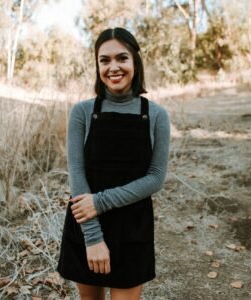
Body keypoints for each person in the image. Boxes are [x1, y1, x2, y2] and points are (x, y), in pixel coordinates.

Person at [57, 27, 170, 300]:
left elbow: (155, 177)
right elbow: (78, 174)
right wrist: (93, 238)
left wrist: (101, 201)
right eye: (104, 60)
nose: (113, 67)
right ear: (97, 66)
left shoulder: (155, 115)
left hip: (133, 228)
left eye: (122, 58)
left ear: (135, 62)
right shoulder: (82, 112)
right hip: (87, 225)